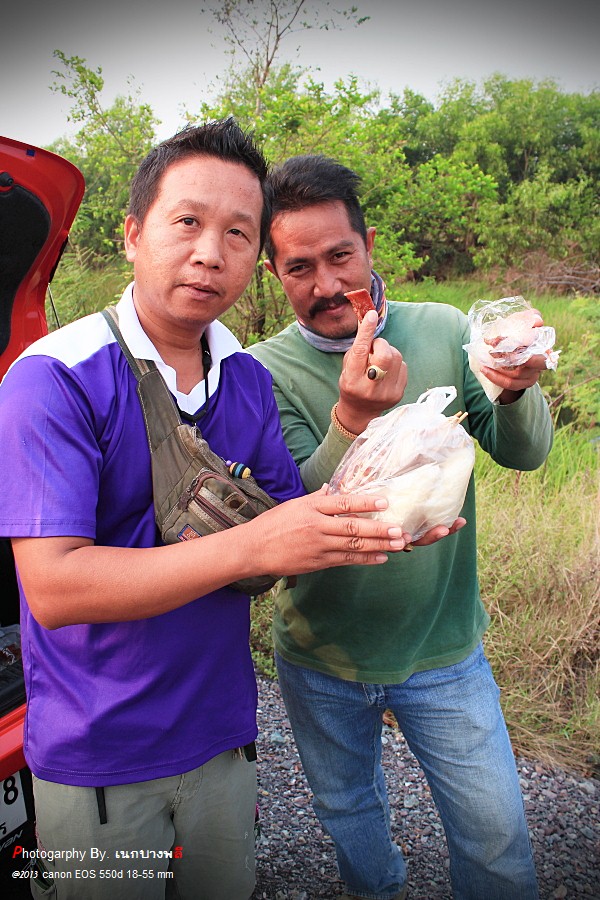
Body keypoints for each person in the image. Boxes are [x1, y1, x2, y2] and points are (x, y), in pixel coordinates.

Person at [0, 124, 408, 900]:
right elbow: (56, 590)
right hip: (100, 761)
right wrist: (255, 548)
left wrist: (389, 502)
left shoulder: (245, 380)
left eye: (237, 233)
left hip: (223, 741)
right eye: (187, 222)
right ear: (132, 233)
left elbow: (292, 517)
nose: (209, 252)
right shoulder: (53, 378)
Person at [247, 154, 554, 900]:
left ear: (369, 244)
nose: (325, 285)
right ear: (272, 274)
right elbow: (295, 514)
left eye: (340, 256)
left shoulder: (444, 329)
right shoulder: (264, 372)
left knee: (495, 838)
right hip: (322, 656)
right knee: (349, 813)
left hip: (443, 650)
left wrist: (514, 392)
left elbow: (525, 455)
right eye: (298, 267)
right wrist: (353, 418)